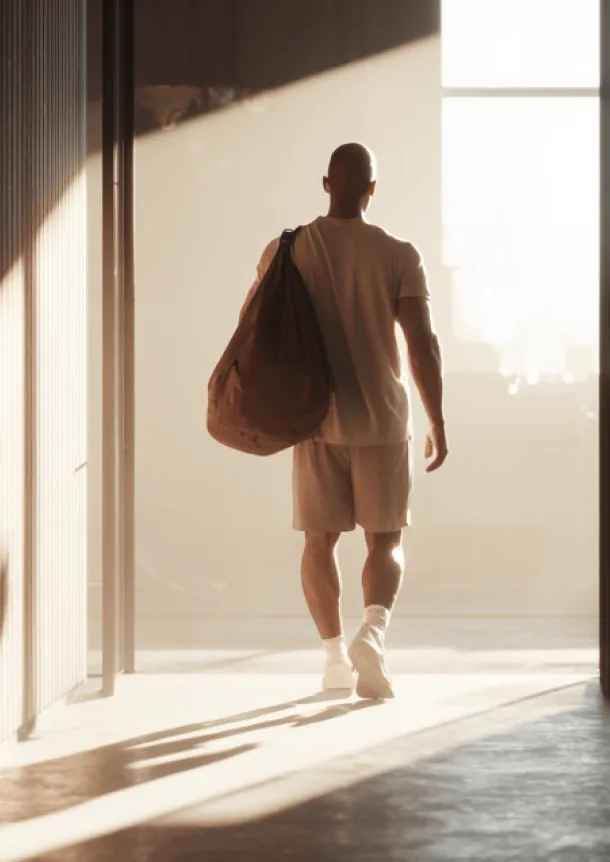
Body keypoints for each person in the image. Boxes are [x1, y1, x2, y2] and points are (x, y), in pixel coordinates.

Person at [241, 143, 447, 699]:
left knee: (319, 542)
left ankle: (335, 661)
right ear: (372, 189)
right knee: (386, 541)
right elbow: (422, 346)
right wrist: (438, 420)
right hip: (383, 421)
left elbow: (254, 329)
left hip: (314, 420)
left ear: (327, 183)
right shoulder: (399, 254)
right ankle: (372, 635)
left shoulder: (286, 251)